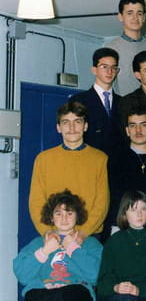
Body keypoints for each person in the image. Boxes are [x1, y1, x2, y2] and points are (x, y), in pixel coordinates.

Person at [29, 101, 109, 240]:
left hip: (88, 235)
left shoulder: (100, 159)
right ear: (58, 127)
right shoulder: (43, 159)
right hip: (54, 235)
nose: (72, 128)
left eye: (77, 122)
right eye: (66, 122)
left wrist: (82, 233)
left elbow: (102, 203)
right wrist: (47, 231)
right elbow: (36, 202)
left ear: (85, 126)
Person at [107, 107, 146, 232]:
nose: (138, 130)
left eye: (143, 125)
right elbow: (113, 199)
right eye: (133, 125)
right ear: (127, 131)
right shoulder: (115, 160)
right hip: (122, 228)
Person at [70, 47, 125, 157]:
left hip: (118, 162)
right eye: (104, 67)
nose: (109, 72)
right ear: (94, 70)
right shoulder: (79, 100)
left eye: (113, 68)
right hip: (89, 160)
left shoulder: (123, 102)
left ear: (117, 71)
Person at [104, 0, 146, 95]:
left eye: (139, 13)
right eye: (130, 13)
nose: (135, 17)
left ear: (144, 17)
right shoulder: (110, 50)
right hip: (123, 104)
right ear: (120, 17)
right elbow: (105, 87)